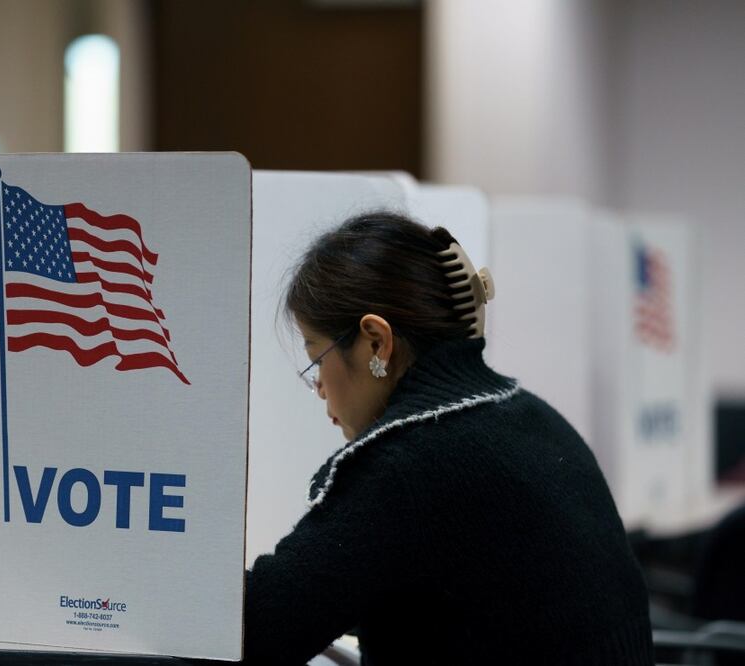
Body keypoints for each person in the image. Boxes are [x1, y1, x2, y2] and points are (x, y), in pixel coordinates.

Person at [239, 212, 653, 664]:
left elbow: (258, 629)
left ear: (377, 342)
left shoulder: (408, 463)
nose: (319, 386)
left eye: (317, 358)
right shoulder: (528, 413)